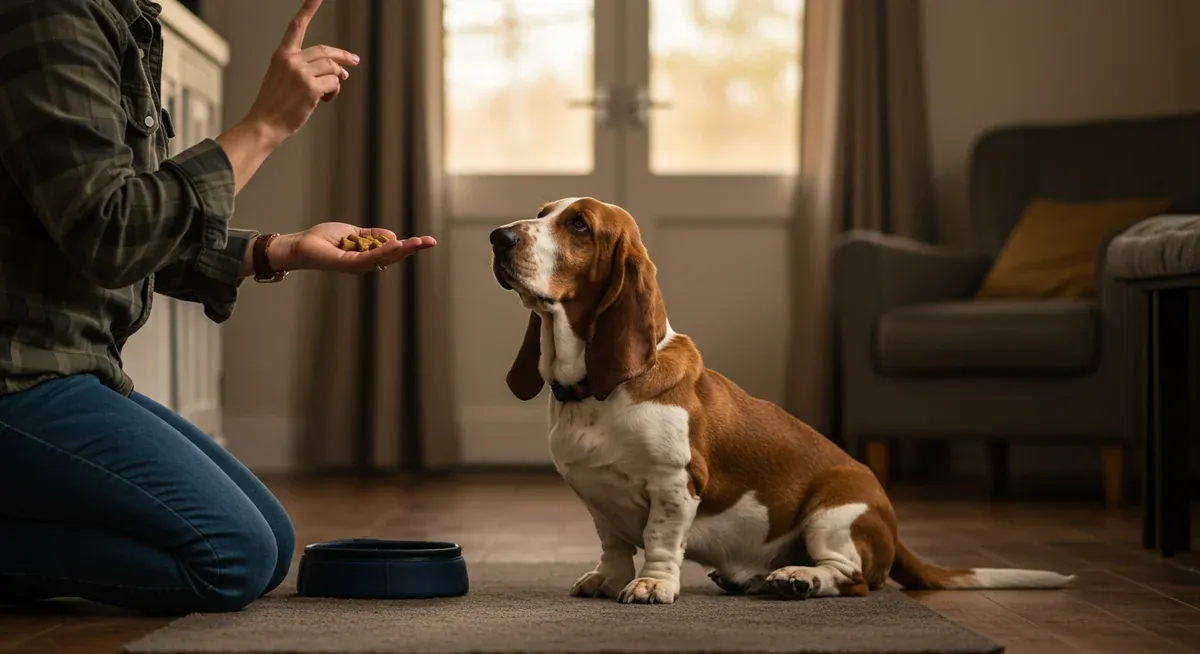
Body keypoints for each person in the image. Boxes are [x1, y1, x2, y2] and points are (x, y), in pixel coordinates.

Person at [0, 0, 434, 615]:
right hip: (18, 375)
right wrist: (264, 127)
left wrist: (278, 250)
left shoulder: (117, 17)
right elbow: (114, 234)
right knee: (231, 555)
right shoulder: (52, 14)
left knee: (271, 541)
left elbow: (118, 231)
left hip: (66, 368)